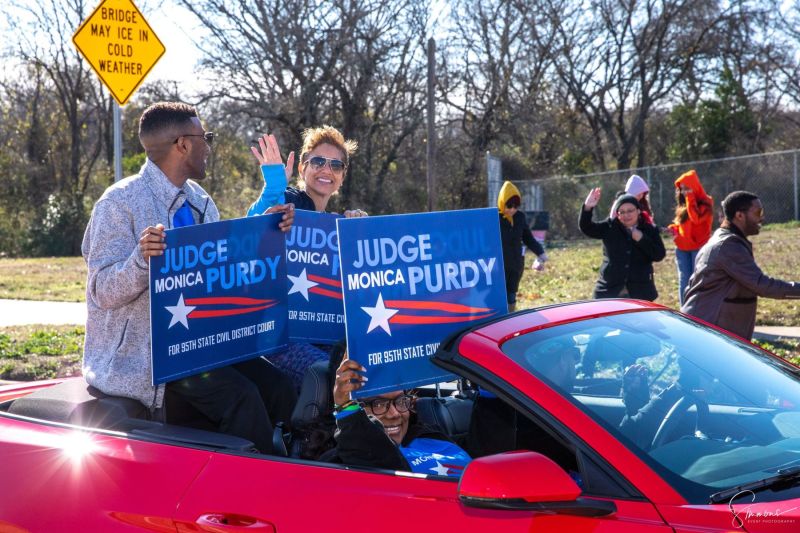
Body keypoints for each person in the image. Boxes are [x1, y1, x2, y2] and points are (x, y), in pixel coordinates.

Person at [82, 102, 296, 453]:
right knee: (241, 398)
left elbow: (219, 269)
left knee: (278, 385)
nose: (208, 146)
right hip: (147, 360)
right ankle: (256, 492)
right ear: (182, 144)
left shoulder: (200, 201)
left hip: (200, 344)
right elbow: (101, 291)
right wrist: (141, 260)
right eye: (204, 138)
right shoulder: (119, 203)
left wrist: (266, 230)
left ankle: (297, 466)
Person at [247, 127, 368, 390]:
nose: (327, 169)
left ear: (342, 176)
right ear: (302, 168)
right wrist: (273, 190)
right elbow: (252, 229)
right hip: (282, 335)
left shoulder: (339, 224)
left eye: (336, 165)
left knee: (368, 368)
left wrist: (359, 232)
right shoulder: (289, 203)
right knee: (333, 376)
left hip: (326, 334)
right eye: (318, 162)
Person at [322, 354, 517, 476]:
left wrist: (492, 387)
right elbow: (384, 467)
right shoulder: (341, 464)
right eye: (378, 404)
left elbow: (491, 464)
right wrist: (347, 409)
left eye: (400, 400)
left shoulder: (428, 436)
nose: (394, 413)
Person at [681, 191, 800, 340]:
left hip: (707, 329)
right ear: (739, 215)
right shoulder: (728, 245)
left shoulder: (725, 240)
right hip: (707, 333)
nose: (762, 217)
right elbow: (762, 285)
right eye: (758, 212)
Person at [580, 188, 666, 301]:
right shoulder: (610, 227)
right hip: (609, 290)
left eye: (630, 210)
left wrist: (641, 239)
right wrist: (587, 207)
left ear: (638, 210)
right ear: (617, 214)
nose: (627, 215)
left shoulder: (649, 229)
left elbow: (659, 254)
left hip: (640, 291)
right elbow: (587, 227)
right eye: (622, 212)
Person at [497, 180, 548, 312]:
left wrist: (540, 253)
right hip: (499, 266)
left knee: (512, 295)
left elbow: (528, 237)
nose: (512, 209)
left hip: (516, 264)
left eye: (516, 206)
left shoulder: (520, 217)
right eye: (509, 205)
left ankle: (509, 317)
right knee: (500, 296)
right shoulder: (494, 218)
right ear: (502, 202)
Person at [667, 170, 713, 305]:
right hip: (682, 247)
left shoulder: (706, 202)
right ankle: (685, 312)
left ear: (695, 187)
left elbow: (696, 219)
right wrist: (672, 229)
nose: (684, 192)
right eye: (682, 190)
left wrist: (690, 197)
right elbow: (681, 224)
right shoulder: (683, 204)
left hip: (698, 247)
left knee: (697, 281)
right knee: (684, 281)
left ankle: (698, 312)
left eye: (687, 188)